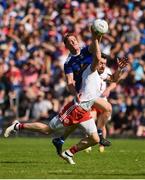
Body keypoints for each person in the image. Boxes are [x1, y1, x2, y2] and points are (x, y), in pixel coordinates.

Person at [4, 28, 127, 165]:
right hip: (77, 106)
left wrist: (120, 69)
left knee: (95, 139)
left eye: (75, 40)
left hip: (86, 108)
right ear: (67, 46)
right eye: (71, 42)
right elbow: (75, 77)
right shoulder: (84, 66)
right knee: (47, 130)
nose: (74, 43)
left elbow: (114, 79)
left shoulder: (98, 70)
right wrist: (95, 36)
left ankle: (69, 152)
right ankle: (18, 126)